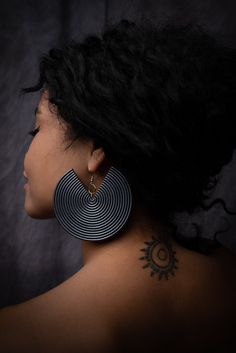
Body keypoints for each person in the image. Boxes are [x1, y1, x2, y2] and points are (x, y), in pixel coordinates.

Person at [0, 18, 236, 353]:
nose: (29, 148)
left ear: (96, 150)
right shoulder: (226, 274)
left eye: (37, 129)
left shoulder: (17, 334)